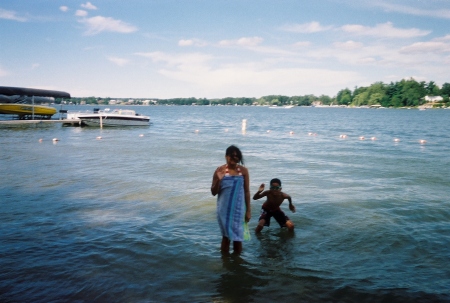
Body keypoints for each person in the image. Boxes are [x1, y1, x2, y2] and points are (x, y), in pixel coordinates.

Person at [211, 145, 251, 254]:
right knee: (226, 237)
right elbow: (213, 192)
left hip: (239, 210)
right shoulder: (219, 171)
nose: (234, 158)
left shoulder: (243, 171)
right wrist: (219, 180)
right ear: (226, 156)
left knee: (238, 238)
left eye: (237, 156)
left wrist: (248, 210)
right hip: (224, 210)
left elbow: (247, 191)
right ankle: (225, 262)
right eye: (231, 156)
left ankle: (237, 263)